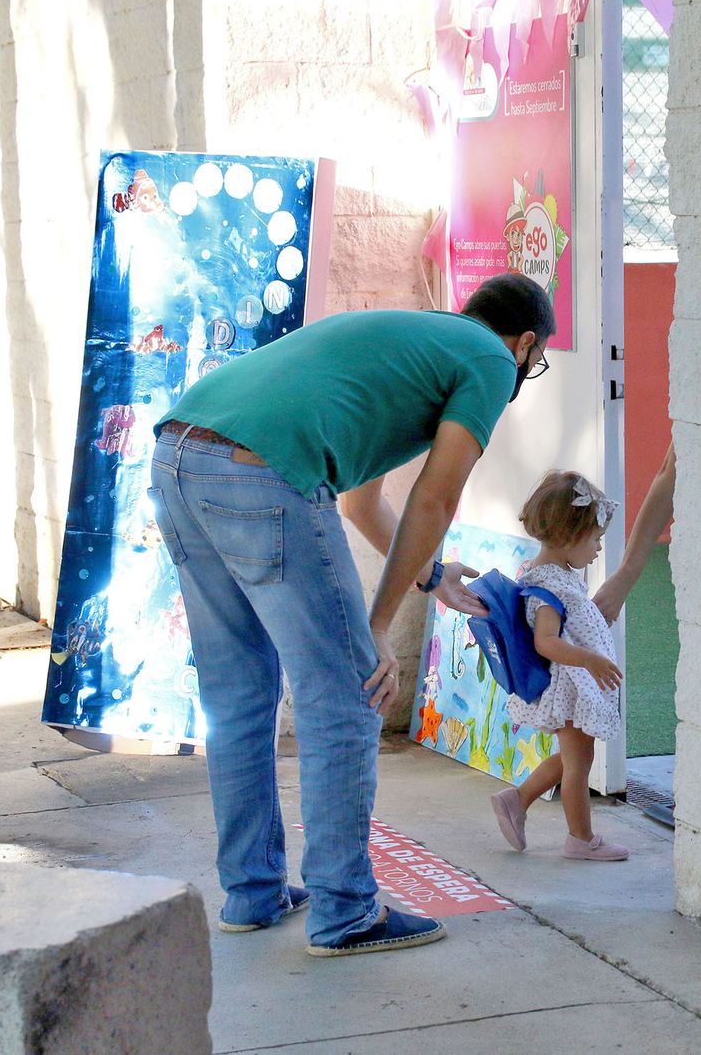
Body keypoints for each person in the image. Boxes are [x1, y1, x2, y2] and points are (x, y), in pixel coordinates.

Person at [148, 273, 553, 956]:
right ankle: (344, 911)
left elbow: (363, 505)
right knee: (347, 695)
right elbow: (436, 499)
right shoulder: (487, 359)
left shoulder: (415, 338)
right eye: (532, 363)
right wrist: (375, 631)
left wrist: (430, 576)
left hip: (177, 457)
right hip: (262, 470)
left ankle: (252, 893)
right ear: (524, 345)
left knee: (239, 694)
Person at [488, 446, 676, 860]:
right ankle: (580, 839)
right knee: (578, 766)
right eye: (593, 540)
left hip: (575, 686)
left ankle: (517, 801)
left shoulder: (555, 575)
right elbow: (547, 643)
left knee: (578, 756)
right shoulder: (549, 587)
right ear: (567, 537)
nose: (596, 549)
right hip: (569, 688)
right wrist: (589, 659)